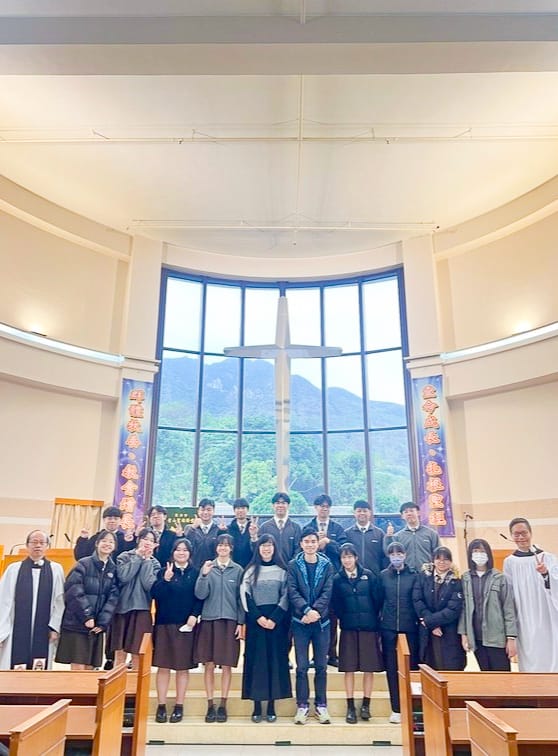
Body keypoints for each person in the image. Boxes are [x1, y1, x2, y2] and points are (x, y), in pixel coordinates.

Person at [241, 534, 292, 722]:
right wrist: (258, 617)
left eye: (270, 545)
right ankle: (256, 706)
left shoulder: (282, 571)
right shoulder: (250, 571)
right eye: (263, 545)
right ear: (258, 548)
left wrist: (274, 618)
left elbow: (286, 596)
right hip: (256, 623)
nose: (266, 549)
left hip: (276, 624)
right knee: (256, 662)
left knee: (274, 662)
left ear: (275, 548)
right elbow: (245, 596)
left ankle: (271, 705)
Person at [194, 533, 244, 724]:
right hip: (209, 619)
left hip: (230, 621)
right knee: (208, 664)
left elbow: (241, 599)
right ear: (216, 548)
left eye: (226, 545)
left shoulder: (238, 570)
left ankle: (223, 703)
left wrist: (240, 622)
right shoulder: (208, 567)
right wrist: (204, 575)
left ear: (231, 548)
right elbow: (200, 594)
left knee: (227, 664)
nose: (223, 548)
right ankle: (210, 703)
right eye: (220, 545)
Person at [332, 542, 383, 725]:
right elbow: (336, 605)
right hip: (349, 629)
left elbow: (377, 600)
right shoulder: (337, 579)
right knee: (349, 669)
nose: (347, 560)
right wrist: (345, 618)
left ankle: (366, 705)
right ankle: (350, 707)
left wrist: (371, 618)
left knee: (369, 668)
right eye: (343, 557)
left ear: (356, 558)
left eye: (349, 556)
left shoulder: (368, 575)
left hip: (369, 628)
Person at [151, 538, 202, 723]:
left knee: (182, 668)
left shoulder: (195, 573)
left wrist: (194, 615)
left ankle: (179, 705)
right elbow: (155, 594)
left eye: (185, 550)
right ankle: (161, 705)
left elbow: (200, 597)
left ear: (190, 553)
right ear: (172, 552)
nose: (181, 553)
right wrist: (165, 580)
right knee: (163, 667)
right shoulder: (163, 571)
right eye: (178, 550)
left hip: (185, 625)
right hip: (164, 623)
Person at [287, 527, 334, 725]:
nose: (310, 545)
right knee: (302, 667)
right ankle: (302, 705)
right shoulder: (293, 565)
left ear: (318, 543)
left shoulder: (327, 564)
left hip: (322, 623)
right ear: (301, 544)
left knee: (321, 666)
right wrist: (306, 610)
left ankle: (321, 705)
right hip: (300, 623)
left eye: (313, 541)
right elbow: (292, 590)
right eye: (306, 541)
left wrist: (315, 612)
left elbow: (327, 591)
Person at [0, 530, 65, 670]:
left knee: (40, 666)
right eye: (34, 542)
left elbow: (59, 601)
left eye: (42, 542)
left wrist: (54, 627)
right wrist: (2, 631)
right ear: (27, 545)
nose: (38, 545)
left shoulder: (55, 569)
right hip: (16, 628)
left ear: (47, 546)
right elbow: (4, 601)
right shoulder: (14, 569)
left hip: (44, 630)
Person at [56, 530, 119, 669]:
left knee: (90, 668)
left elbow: (113, 598)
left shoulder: (113, 569)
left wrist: (102, 622)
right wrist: (87, 616)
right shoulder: (83, 563)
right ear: (97, 543)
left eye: (111, 542)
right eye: (104, 541)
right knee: (78, 666)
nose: (107, 544)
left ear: (115, 546)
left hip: (96, 627)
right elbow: (73, 590)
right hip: (77, 622)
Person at [503, 517, 558, 672]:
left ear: (530, 533)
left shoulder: (547, 557)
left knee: (551, 653)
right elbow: (509, 593)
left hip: (548, 615)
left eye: (524, 533)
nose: (521, 537)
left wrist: (546, 573)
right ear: (512, 536)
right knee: (530, 656)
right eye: (516, 534)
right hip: (524, 617)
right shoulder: (510, 562)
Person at [458, 538, 517, 672]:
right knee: (485, 675)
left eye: (482, 551)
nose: (479, 554)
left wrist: (511, 638)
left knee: (502, 677)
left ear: (488, 554)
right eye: (475, 551)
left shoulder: (499, 578)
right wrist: (464, 634)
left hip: (497, 638)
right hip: (477, 638)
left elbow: (508, 609)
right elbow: (464, 609)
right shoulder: (466, 578)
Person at [379, 541, 419, 724]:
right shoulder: (383, 576)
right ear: (388, 556)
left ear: (405, 555)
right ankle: (396, 708)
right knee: (392, 669)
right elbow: (378, 600)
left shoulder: (414, 576)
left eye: (399, 553)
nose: (396, 557)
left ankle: (412, 708)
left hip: (409, 629)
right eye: (393, 554)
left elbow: (417, 600)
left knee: (410, 669)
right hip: (388, 629)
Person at [305, 493, 346, 667]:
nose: (324, 509)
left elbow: (344, 550)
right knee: (315, 616)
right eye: (321, 506)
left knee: (332, 617)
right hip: (313, 580)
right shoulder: (308, 527)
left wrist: (328, 542)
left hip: (333, 579)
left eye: (327, 506)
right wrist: (316, 544)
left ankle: (332, 654)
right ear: (315, 508)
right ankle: (316, 656)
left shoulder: (338, 528)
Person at [110, 527, 159, 670]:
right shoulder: (124, 556)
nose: (148, 542)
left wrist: (147, 560)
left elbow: (148, 584)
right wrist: (138, 557)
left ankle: (136, 683)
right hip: (122, 608)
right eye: (145, 539)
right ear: (138, 540)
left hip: (142, 609)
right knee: (120, 651)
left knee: (138, 652)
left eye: (151, 541)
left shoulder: (155, 563)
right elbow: (124, 577)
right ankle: (117, 682)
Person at [412, 545, 465, 671]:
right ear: (433, 560)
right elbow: (417, 599)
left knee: (451, 666)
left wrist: (430, 621)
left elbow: (453, 608)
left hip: (449, 630)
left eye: (446, 559)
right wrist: (432, 624)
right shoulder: (423, 577)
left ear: (451, 561)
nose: (442, 562)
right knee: (429, 665)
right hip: (427, 630)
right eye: (438, 559)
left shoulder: (456, 580)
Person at [384, 501, 440, 572]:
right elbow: (389, 554)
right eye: (406, 512)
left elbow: (438, 554)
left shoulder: (431, 534)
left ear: (418, 512)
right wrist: (388, 537)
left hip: (427, 573)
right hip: (406, 574)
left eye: (411, 511)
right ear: (402, 516)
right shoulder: (398, 536)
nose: (409, 514)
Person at [342, 500, 386, 577]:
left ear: (370, 513)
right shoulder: (347, 533)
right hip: (353, 577)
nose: (362, 513)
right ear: (354, 513)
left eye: (365, 511)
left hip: (375, 576)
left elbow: (384, 557)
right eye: (359, 511)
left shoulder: (379, 533)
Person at [259, 492, 301, 565]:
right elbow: (259, 547)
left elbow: (298, 548)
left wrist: (292, 564)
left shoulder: (296, 527)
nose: (280, 505)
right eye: (277, 503)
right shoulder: (264, 527)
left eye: (283, 503)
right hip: (270, 567)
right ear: (273, 505)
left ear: (288, 506)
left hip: (290, 567)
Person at [185, 498, 221, 569]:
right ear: (198, 511)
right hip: (192, 568)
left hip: (213, 568)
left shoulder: (218, 529)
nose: (205, 512)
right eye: (202, 509)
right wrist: (193, 528)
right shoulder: (189, 528)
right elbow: (186, 546)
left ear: (213, 511)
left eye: (209, 510)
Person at [227, 498, 257, 568]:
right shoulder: (228, 529)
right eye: (238, 508)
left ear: (247, 510)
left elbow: (257, 548)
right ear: (234, 510)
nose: (240, 510)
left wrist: (254, 535)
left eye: (243, 508)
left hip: (251, 566)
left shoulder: (255, 528)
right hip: (233, 567)